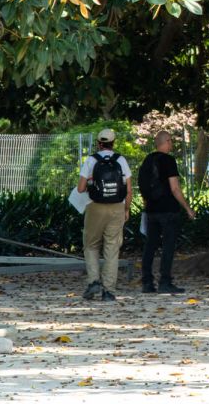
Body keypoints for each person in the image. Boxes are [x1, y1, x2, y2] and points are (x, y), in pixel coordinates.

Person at [137, 130, 197, 294]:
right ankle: (165, 281)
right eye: (171, 141)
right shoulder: (169, 161)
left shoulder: (147, 160)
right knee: (168, 246)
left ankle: (147, 282)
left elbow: (142, 185)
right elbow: (175, 187)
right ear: (167, 141)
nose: (172, 144)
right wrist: (187, 208)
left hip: (151, 209)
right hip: (168, 209)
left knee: (150, 245)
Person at [77, 128, 132, 301]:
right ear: (113, 143)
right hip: (117, 207)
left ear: (99, 144)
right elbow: (129, 190)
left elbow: (80, 188)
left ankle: (93, 281)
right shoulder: (121, 160)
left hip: (95, 207)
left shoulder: (91, 161)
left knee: (91, 245)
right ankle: (109, 291)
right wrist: (126, 210)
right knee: (112, 248)